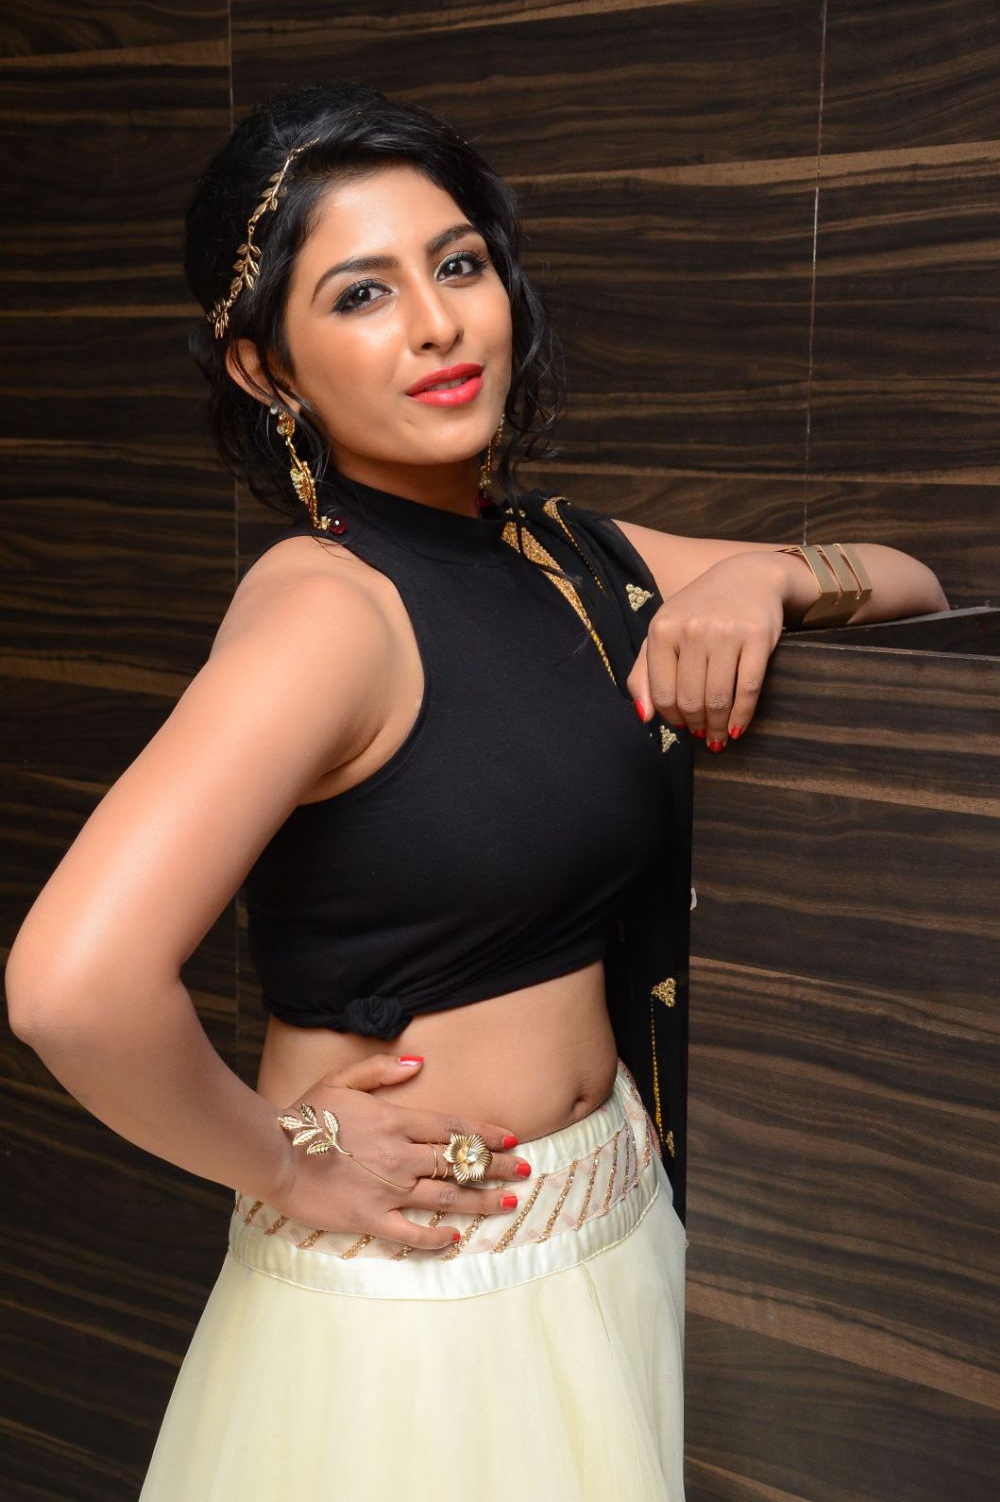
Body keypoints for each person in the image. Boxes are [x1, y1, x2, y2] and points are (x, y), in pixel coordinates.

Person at [5, 80, 948, 1501]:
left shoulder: (564, 556)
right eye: (362, 294)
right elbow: (71, 987)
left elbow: (912, 586)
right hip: (429, 1302)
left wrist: (764, 576)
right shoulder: (330, 608)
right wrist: (288, 1162)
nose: (438, 324)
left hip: (615, 1236)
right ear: (266, 371)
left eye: (457, 265)